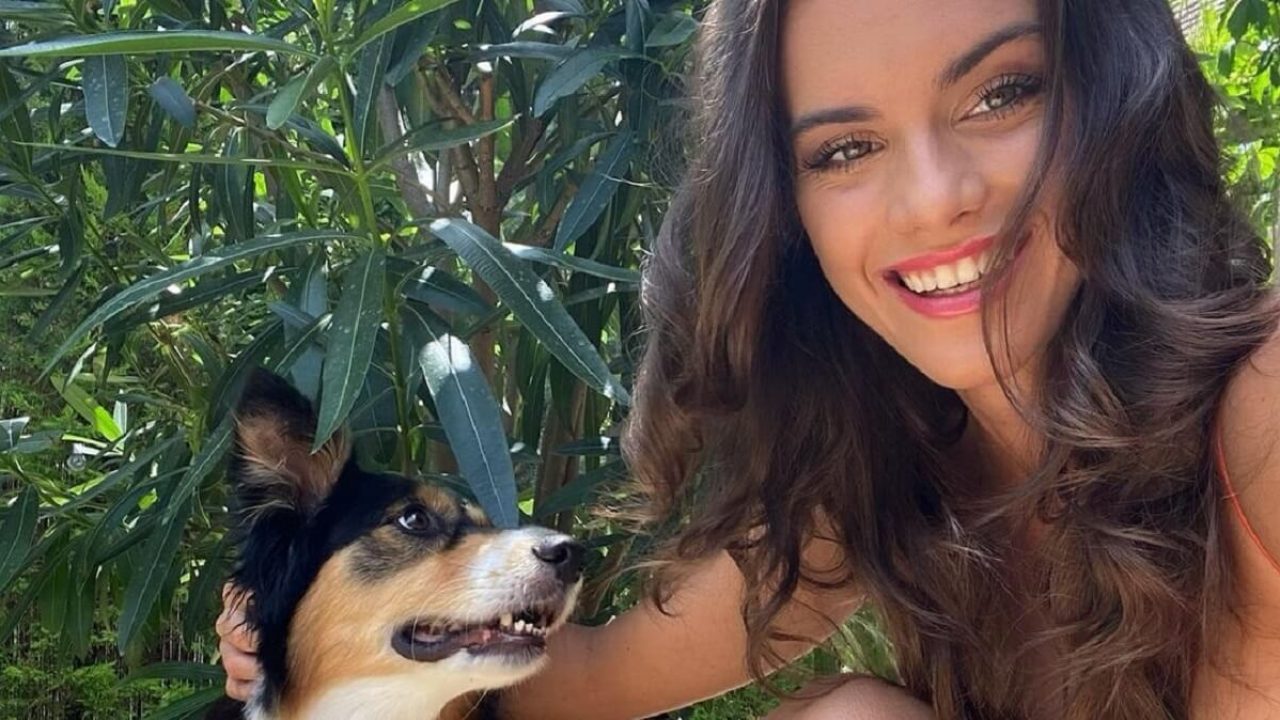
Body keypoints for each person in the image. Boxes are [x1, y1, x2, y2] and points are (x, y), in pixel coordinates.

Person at [217, 0, 1280, 717]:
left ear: (1115, 96)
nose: (933, 198)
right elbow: (592, 682)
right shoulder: (887, 479)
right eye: (844, 149)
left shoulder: (1261, 411)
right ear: (786, 215)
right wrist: (316, 620)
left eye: (1002, 93)